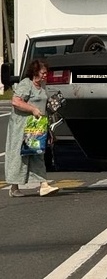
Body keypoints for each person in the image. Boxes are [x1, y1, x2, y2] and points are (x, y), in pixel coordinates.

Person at [5, 59, 59, 197]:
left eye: (46, 73)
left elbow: (43, 102)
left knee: (38, 153)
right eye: (43, 73)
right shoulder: (26, 84)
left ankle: (43, 185)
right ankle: (14, 187)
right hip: (22, 127)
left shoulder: (42, 86)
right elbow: (16, 101)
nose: (45, 75)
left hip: (37, 127)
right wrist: (33, 109)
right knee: (20, 155)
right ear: (35, 72)